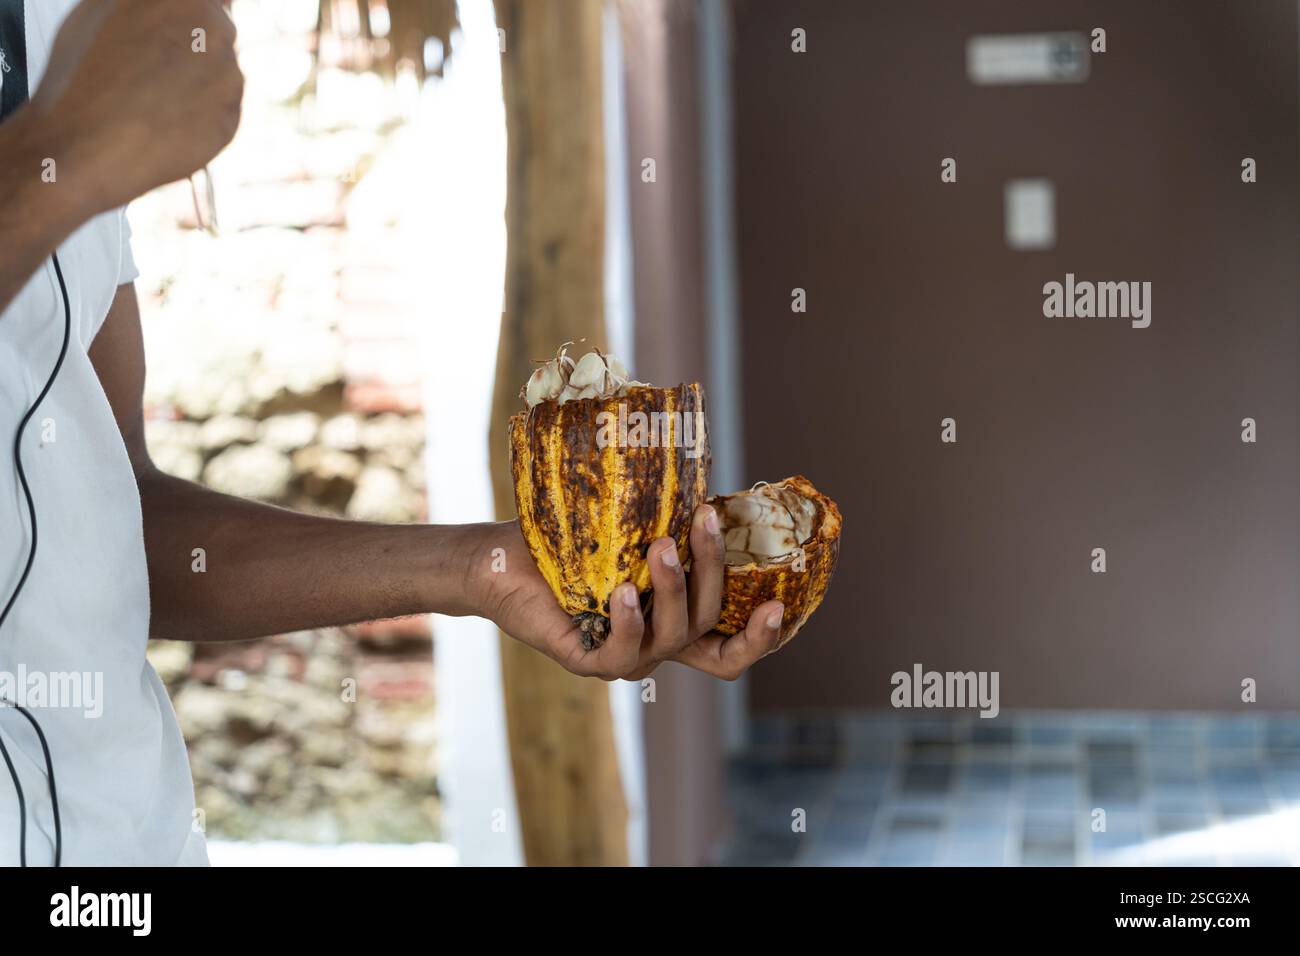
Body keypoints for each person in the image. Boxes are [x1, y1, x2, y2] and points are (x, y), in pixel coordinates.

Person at [0, 0, 781, 866]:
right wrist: (65, 150)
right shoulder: (82, 88)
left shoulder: (62, 25)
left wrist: (478, 570)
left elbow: (114, 519)